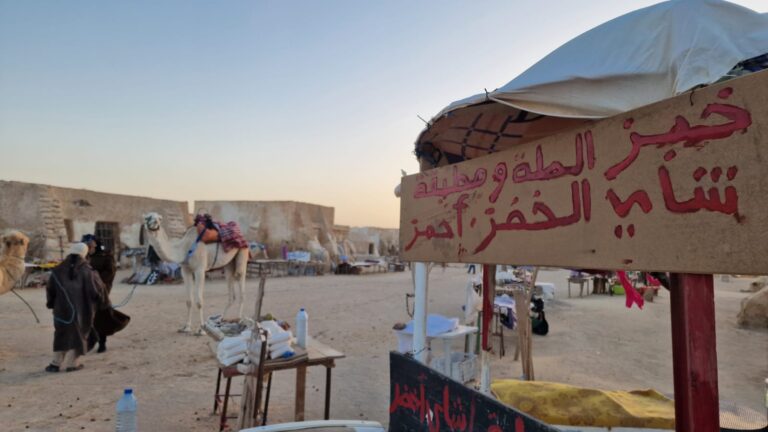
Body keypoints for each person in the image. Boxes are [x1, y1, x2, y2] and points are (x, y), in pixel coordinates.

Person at [45, 243, 106, 372]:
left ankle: (55, 363)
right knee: (79, 333)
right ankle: (72, 364)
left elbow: (50, 289)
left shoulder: (57, 270)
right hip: (83, 310)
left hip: (61, 310)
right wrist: (102, 303)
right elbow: (97, 291)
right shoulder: (88, 272)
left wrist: (51, 303)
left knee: (61, 333)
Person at [81, 234, 119, 353]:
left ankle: (102, 342)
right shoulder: (83, 256)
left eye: (90, 245)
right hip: (85, 290)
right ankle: (88, 341)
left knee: (101, 316)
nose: (88, 247)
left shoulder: (106, 256)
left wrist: (96, 281)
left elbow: (110, 272)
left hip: (101, 289)